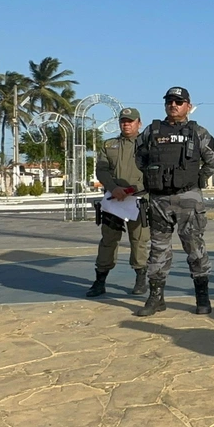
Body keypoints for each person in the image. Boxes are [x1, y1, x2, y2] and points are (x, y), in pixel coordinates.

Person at [134, 87, 214, 316]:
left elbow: (212, 160)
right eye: (170, 101)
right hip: (159, 200)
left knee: (194, 247)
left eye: (179, 102)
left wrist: (196, 179)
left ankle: (202, 297)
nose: (174, 105)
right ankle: (156, 298)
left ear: (188, 106)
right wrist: (157, 178)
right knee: (158, 249)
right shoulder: (151, 132)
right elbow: (140, 158)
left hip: (188, 198)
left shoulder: (198, 133)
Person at [86, 107, 150, 299]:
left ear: (139, 123)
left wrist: (134, 188)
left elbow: (153, 170)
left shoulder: (148, 146)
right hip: (114, 201)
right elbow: (102, 170)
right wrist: (114, 188)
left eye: (130, 121)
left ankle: (140, 278)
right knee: (108, 240)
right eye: (123, 121)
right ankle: (100, 280)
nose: (126, 124)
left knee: (139, 240)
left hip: (139, 199)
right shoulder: (109, 145)